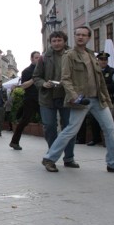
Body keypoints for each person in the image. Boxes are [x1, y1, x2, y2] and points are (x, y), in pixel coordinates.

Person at [41, 26, 114, 173]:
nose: (80, 37)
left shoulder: (91, 55)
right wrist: (74, 96)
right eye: (78, 35)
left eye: (83, 35)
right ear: (74, 37)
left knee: (110, 129)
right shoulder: (69, 55)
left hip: (98, 99)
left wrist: (107, 99)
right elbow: (65, 79)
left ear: (88, 37)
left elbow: (100, 80)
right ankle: (49, 158)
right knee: (70, 130)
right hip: (81, 100)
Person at [33, 31, 78, 168]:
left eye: (59, 40)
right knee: (49, 127)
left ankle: (69, 158)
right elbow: (36, 77)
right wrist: (43, 84)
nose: (56, 43)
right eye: (54, 41)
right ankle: (51, 156)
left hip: (67, 97)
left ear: (64, 41)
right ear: (50, 42)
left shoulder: (72, 54)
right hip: (48, 98)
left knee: (69, 128)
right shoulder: (44, 58)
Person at [9, 51, 41, 150]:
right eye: (36, 57)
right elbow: (23, 85)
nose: (38, 59)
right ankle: (14, 142)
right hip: (30, 99)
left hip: (41, 99)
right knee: (25, 121)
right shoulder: (27, 71)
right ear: (31, 59)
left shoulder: (42, 70)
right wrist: (33, 79)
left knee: (48, 120)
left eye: (39, 58)